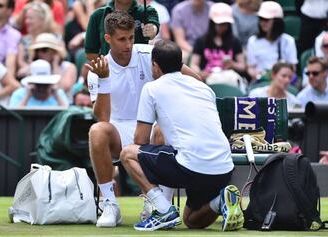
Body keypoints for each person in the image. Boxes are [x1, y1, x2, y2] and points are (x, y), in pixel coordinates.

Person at [86, 11, 199, 228]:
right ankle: (110, 204)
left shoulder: (149, 54)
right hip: (118, 131)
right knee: (97, 131)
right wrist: (105, 80)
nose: (128, 44)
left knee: (164, 129)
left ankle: (161, 205)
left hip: (151, 128)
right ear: (108, 39)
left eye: (130, 37)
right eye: (121, 39)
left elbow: (195, 79)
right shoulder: (98, 69)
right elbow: (103, 118)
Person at [120, 40, 243, 231]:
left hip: (191, 168)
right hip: (223, 170)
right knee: (192, 220)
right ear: (181, 64)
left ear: (155, 65)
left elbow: (140, 142)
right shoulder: (205, 89)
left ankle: (163, 210)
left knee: (128, 153)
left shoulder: (152, 88)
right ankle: (222, 201)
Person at [84, 0, 160, 60]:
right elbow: (90, 53)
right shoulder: (97, 15)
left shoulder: (147, 11)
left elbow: (153, 24)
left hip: (139, 70)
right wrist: (108, 69)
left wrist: (152, 29)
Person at [191, 2, 245, 81]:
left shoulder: (235, 41)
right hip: (207, 79)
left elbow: (242, 66)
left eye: (225, 24)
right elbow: (194, 64)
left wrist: (232, 64)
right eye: (219, 24)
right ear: (212, 22)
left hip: (228, 79)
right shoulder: (201, 41)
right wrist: (199, 72)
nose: (222, 27)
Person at [246, 1, 298, 81]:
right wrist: (260, 77)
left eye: (266, 20)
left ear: (277, 21)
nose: (262, 22)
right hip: (261, 82)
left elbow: (293, 68)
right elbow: (251, 68)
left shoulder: (288, 41)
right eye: (261, 19)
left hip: (283, 82)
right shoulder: (253, 41)